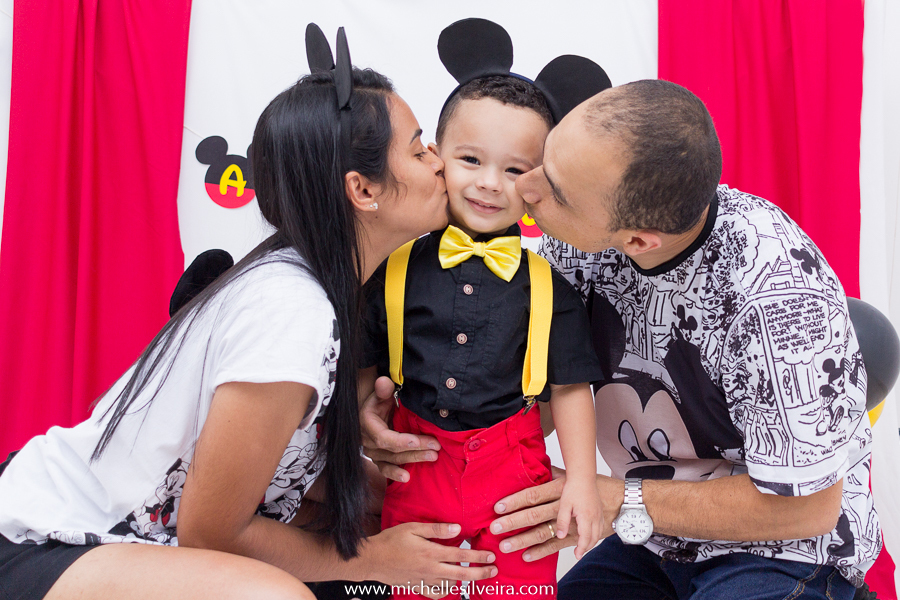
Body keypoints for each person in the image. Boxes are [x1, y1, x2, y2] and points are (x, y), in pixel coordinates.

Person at [0, 46, 501, 599]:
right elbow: (212, 530)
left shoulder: (317, 287)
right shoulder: (290, 310)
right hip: (48, 538)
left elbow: (270, 482)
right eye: (417, 150)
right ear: (362, 190)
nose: (439, 162)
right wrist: (369, 561)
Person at [364, 79, 879, 600]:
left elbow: (810, 506)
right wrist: (390, 418)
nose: (528, 187)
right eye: (545, 159)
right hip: (656, 542)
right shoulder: (572, 250)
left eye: (554, 191)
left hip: (787, 551)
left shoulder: (778, 296)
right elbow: (530, 386)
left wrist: (615, 498)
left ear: (636, 240)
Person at [362, 72, 604, 600]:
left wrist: (583, 481)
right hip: (417, 465)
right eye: (472, 160)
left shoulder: (549, 287)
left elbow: (568, 388)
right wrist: (363, 412)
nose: (491, 182)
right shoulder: (393, 268)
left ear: (539, 182)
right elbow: (364, 358)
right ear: (436, 157)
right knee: (409, 586)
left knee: (521, 591)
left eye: (515, 169)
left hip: (514, 473)